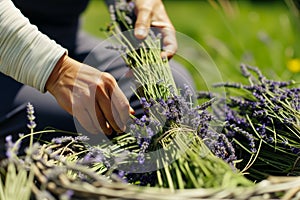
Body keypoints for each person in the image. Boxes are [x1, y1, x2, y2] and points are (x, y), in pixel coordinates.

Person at [0, 0, 195, 156]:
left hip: (66, 38)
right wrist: (55, 70)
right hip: (9, 53)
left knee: (172, 94)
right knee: (71, 122)